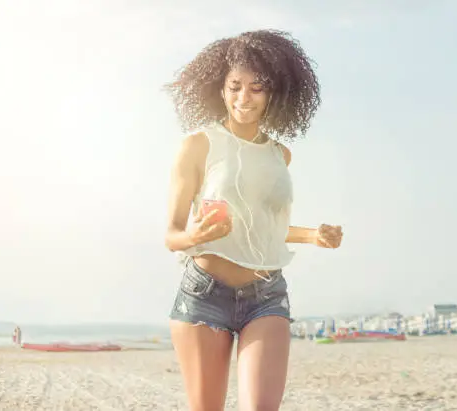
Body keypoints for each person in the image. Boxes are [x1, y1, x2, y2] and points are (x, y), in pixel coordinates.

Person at [164, 29, 343, 411]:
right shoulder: (199, 145)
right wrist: (193, 233)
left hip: (266, 295)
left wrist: (314, 235)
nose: (243, 98)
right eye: (235, 87)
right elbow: (172, 235)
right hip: (204, 295)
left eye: (256, 88)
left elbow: (267, 230)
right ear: (221, 89)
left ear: (274, 93)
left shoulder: (281, 155)